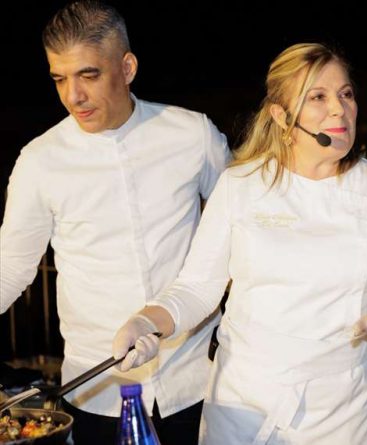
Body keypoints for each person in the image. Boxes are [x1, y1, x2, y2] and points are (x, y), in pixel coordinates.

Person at [112, 43, 367, 445]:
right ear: (281, 116)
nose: (339, 109)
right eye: (318, 97)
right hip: (245, 403)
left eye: (346, 94)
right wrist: (145, 321)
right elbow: (196, 288)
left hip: (347, 408)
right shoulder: (240, 185)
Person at [0, 1, 230, 443]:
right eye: (59, 79)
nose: (73, 96)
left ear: (127, 68)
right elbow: (10, 267)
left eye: (88, 75)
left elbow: (242, 229)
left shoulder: (193, 134)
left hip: (197, 383)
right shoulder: (38, 161)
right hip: (96, 391)